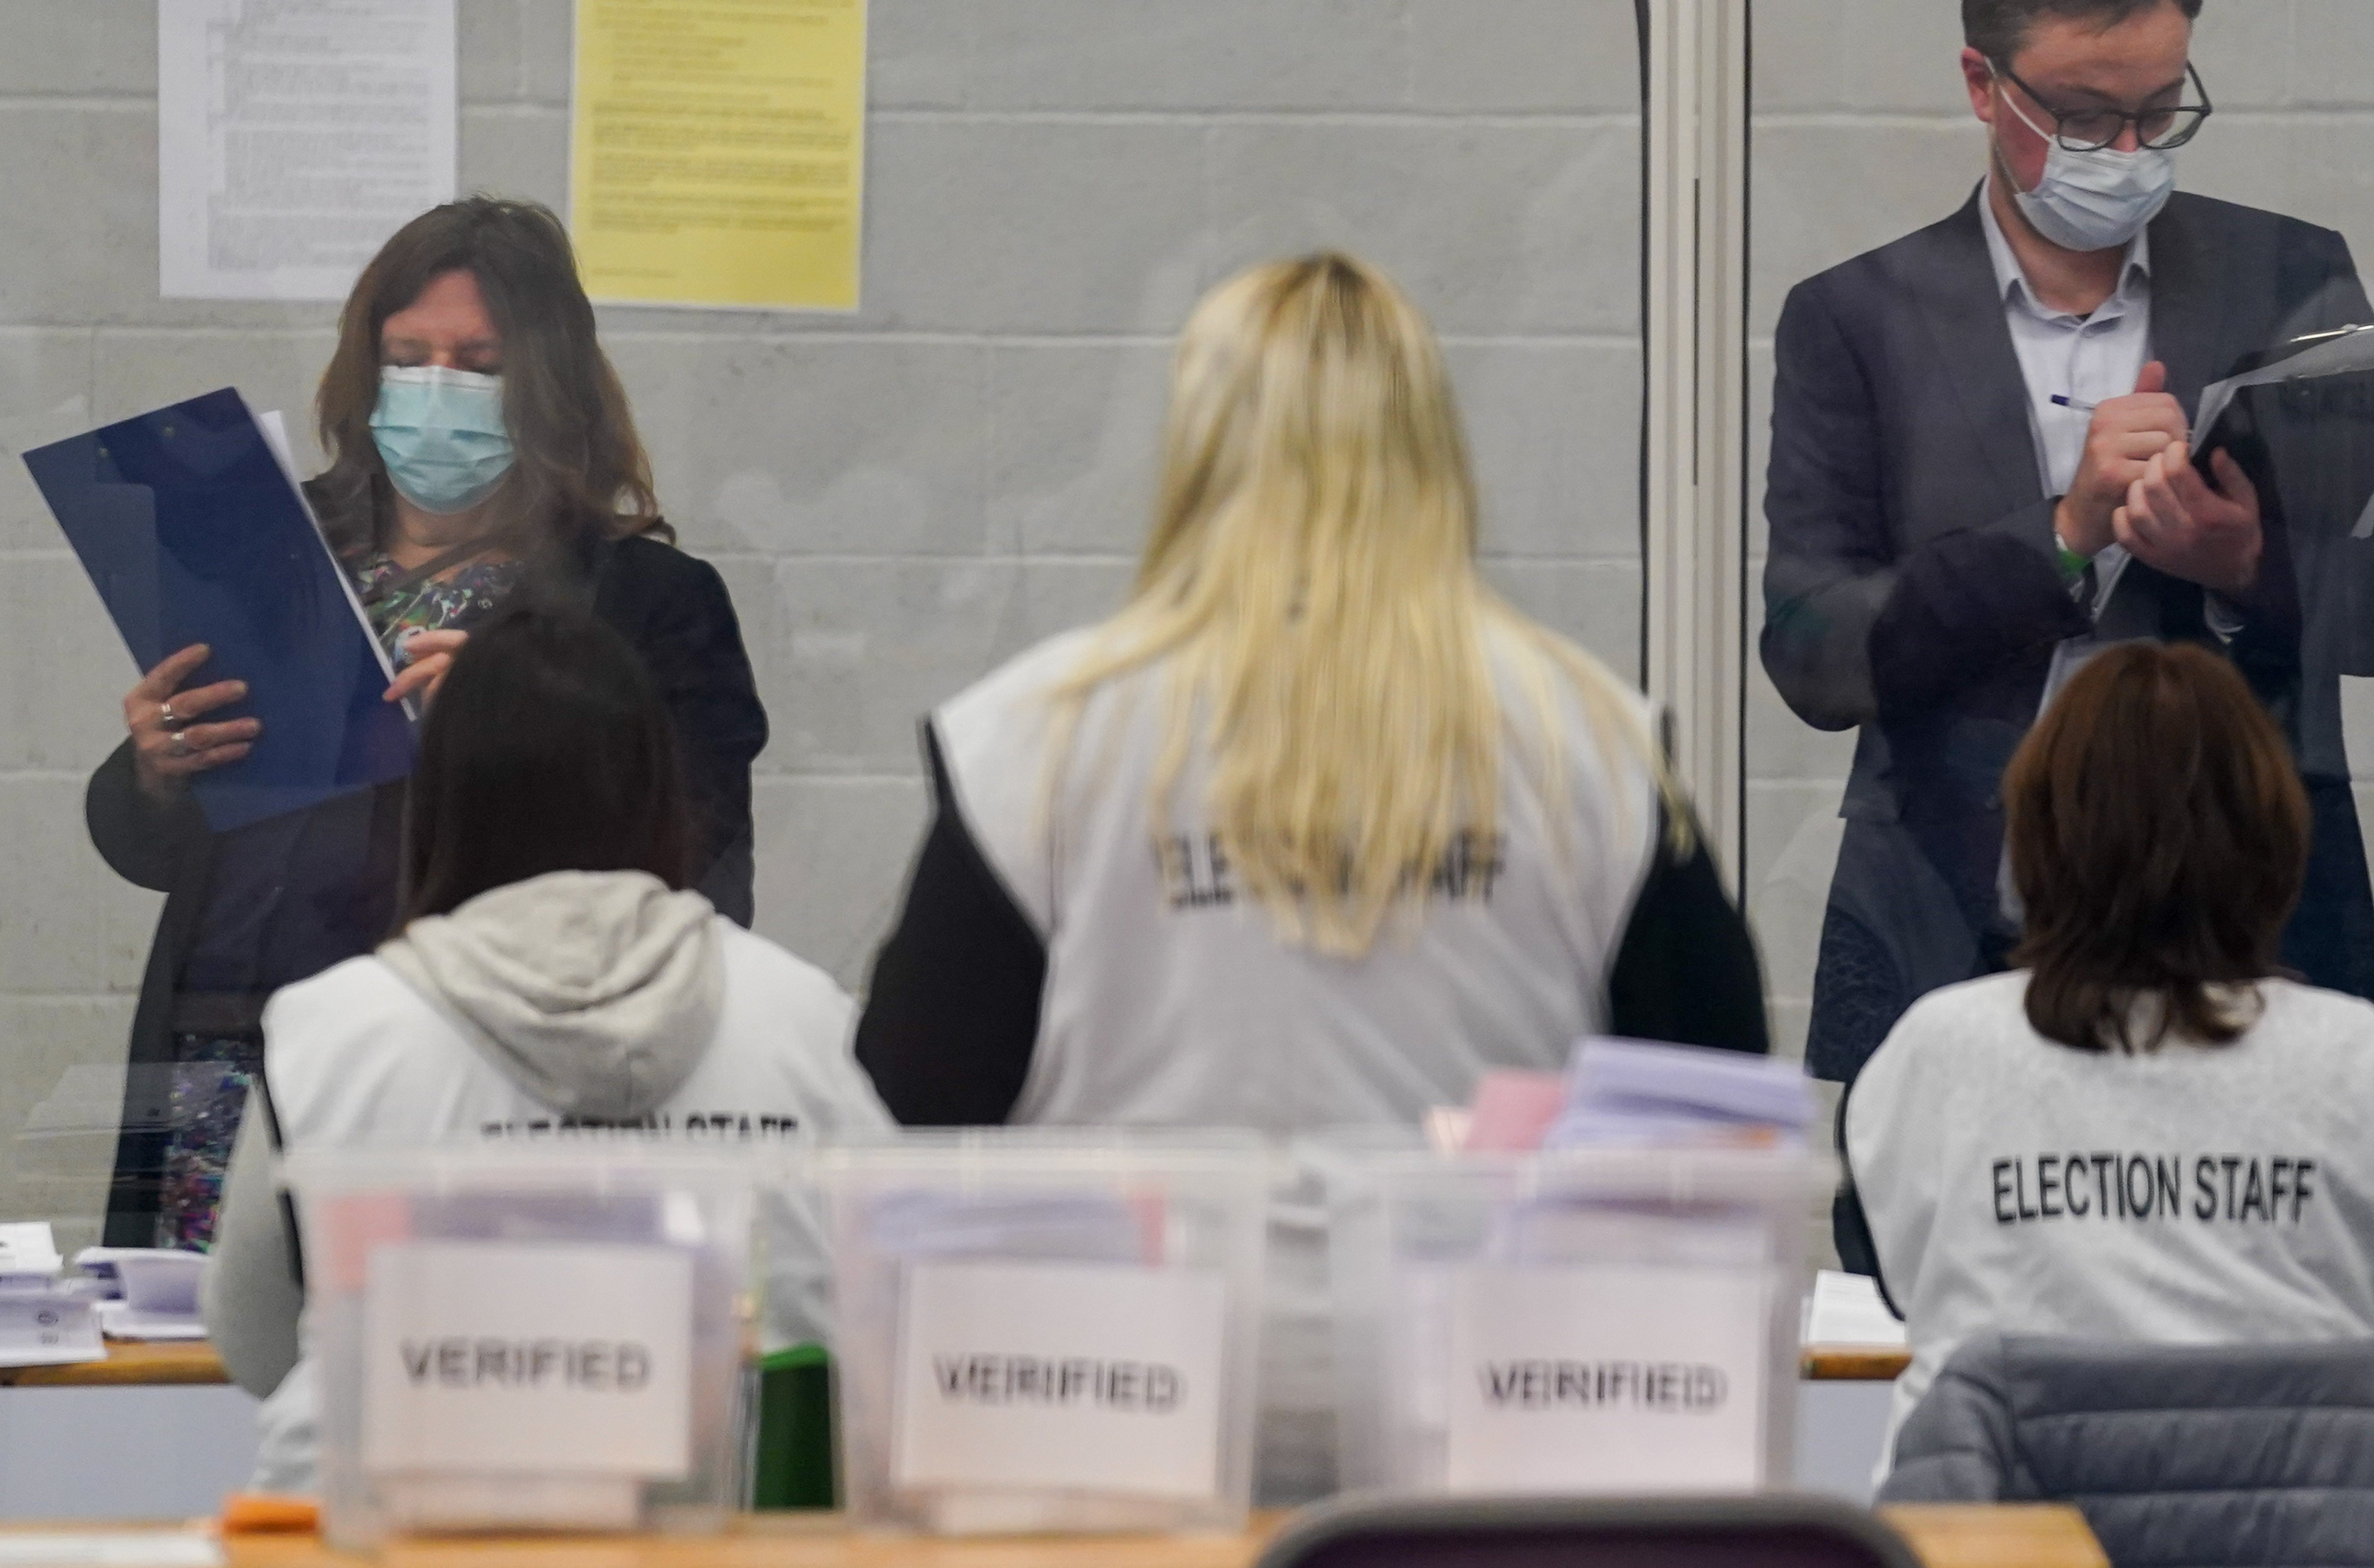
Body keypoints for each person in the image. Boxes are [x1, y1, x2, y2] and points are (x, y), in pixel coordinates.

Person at [853, 251, 1767, 1495]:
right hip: (1474, 1440)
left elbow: (909, 1110)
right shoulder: (1590, 742)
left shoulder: (1041, 741)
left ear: (1195, 449)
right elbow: (1712, 1119)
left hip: (1119, 1437)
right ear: (1431, 446)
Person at [1761, 0, 2374, 1092]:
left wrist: (2244, 560)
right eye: (2087, 117)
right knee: (1916, 1270)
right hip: (1959, 934)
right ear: (1981, 86)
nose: (2130, 149)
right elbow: (1811, 657)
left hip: (2250, 955)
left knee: (2275, 1274)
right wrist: (2060, 536)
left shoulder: (2285, 276)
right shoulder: (1856, 319)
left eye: (2159, 110)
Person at [86, 197, 767, 1248]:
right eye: (408, 358)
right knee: (194, 1373)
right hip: (227, 1048)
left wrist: (517, 736)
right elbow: (165, 845)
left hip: (461, 1066)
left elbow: (703, 869)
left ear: (549, 383)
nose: (436, 390)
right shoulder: (274, 548)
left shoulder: (643, 598)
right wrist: (155, 770)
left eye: (479, 363)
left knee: (419, 1356)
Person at [200, 606, 888, 1492]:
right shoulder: (808, 1020)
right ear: (656, 786)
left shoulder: (333, 1030)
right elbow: (875, 1330)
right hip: (728, 1536)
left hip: (394, 1538)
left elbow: (256, 1341)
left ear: (443, 800)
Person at [1842, 642, 2374, 1467]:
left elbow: (1891, 1279)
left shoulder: (1931, 1055)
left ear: (2036, 830)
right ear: (2273, 837)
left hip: (2002, 1530)